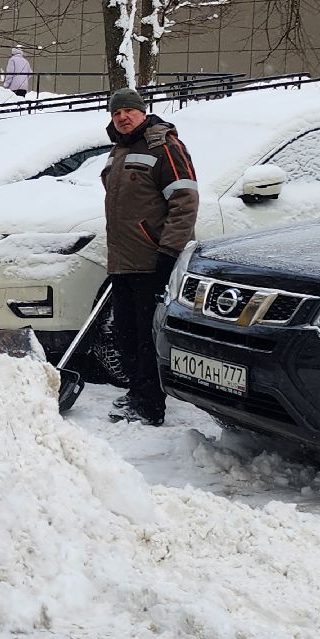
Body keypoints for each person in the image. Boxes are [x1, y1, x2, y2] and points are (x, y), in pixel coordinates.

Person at [100, 87, 199, 425]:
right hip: (122, 262)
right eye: (116, 113)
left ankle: (151, 404)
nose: (123, 117)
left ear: (143, 112)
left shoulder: (165, 147)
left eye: (129, 110)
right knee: (125, 334)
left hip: (152, 260)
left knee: (146, 337)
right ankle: (137, 393)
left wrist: (168, 253)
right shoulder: (118, 151)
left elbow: (185, 202)